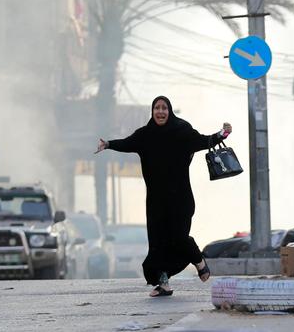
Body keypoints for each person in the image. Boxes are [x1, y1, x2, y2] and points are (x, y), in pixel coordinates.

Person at [95, 96, 232, 297]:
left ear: (169, 111)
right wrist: (107, 144)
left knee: (178, 237)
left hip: (180, 199)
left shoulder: (182, 131)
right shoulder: (145, 135)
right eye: (157, 108)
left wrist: (222, 133)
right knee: (158, 244)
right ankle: (163, 283)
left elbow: (203, 141)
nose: (160, 112)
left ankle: (199, 261)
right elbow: (126, 143)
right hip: (156, 202)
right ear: (152, 112)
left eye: (164, 108)